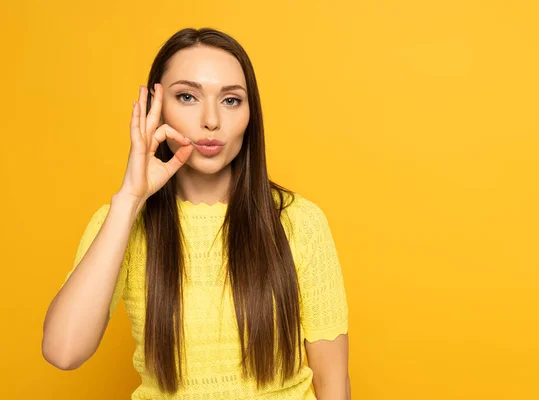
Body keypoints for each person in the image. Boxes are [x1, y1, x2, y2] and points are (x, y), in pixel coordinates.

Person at [42, 27, 350, 399]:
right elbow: (63, 351)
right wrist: (129, 201)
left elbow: (333, 384)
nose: (211, 120)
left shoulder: (298, 222)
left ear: (251, 113)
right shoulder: (122, 223)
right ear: (156, 108)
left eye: (231, 100)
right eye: (187, 96)